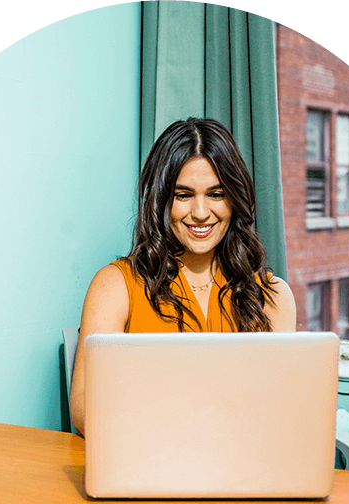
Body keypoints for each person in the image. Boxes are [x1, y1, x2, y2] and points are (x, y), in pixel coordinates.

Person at [69, 117, 297, 436]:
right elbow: (84, 412)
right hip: (146, 465)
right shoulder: (114, 286)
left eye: (216, 194)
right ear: (161, 199)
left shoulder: (273, 295)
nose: (201, 213)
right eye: (183, 195)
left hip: (243, 471)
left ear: (235, 199)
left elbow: (280, 410)